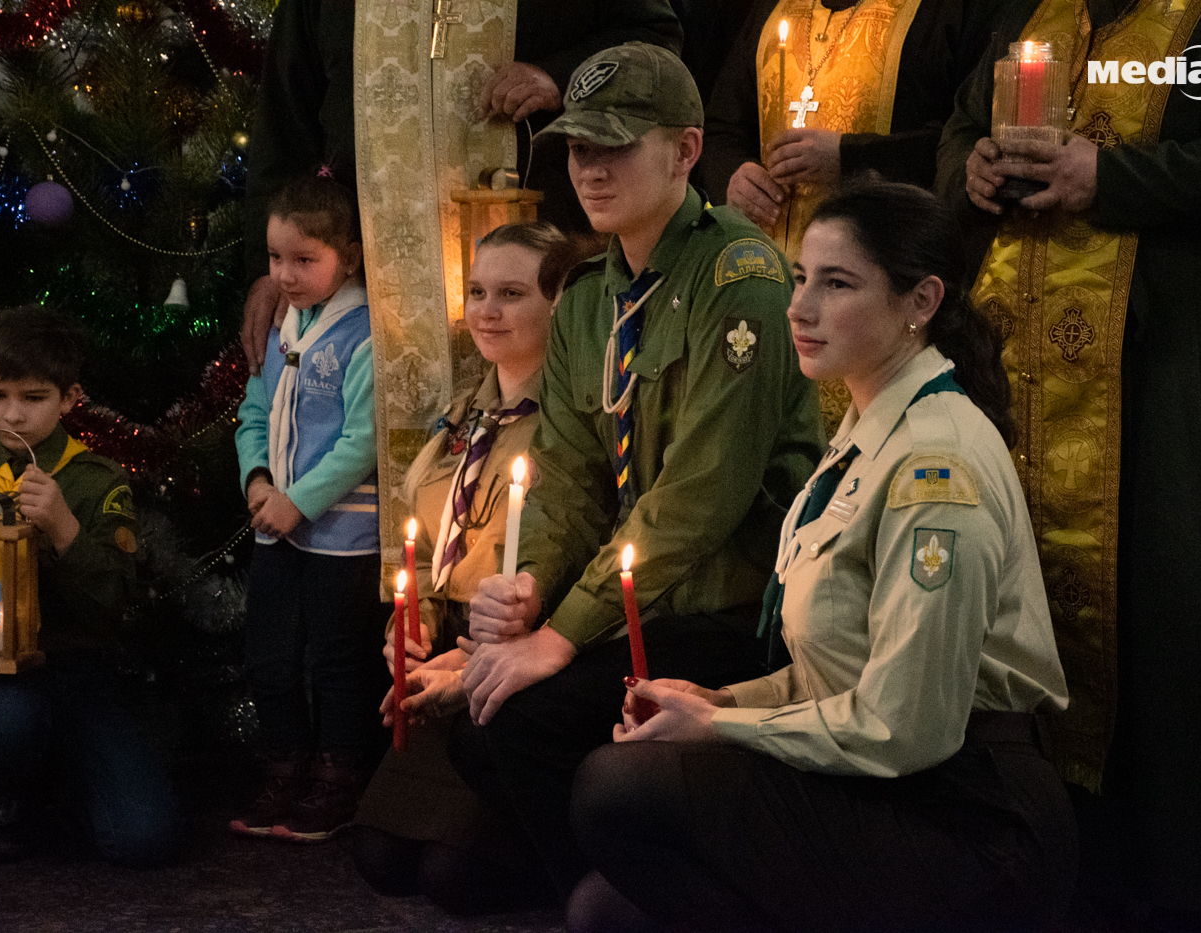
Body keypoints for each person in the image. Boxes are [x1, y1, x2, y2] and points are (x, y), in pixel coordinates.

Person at [567, 180, 1075, 933]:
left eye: (837, 284)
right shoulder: (871, 422)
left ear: (921, 301)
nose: (798, 307)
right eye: (800, 277)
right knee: (603, 909)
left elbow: (908, 726)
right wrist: (719, 701)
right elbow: (837, 668)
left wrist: (720, 730)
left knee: (615, 787)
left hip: (968, 814)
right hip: (889, 786)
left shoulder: (934, 467)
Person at [941, 0, 1201, 922]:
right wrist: (967, 167)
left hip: (1173, 389)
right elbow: (968, 122)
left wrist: (1115, 177)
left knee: (1174, 641)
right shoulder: (1037, 10)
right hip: (1019, 392)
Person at [452, 41, 824, 898]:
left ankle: (633, 900)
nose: (590, 169)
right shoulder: (587, 294)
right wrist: (531, 587)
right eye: (580, 148)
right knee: (480, 715)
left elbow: (704, 496)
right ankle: (599, 880)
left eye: (615, 146)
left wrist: (559, 635)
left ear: (687, 150)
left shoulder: (741, 275)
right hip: (633, 601)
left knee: (527, 717)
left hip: (728, 606)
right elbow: (571, 474)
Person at [238, 0, 684, 374]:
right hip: (362, 297)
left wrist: (562, 78)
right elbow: (286, 112)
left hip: (543, 277)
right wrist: (268, 265)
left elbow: (653, 38)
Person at [347, 221, 586, 913]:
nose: (486, 310)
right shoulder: (463, 419)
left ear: (560, 308)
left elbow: (567, 554)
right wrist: (409, 620)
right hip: (445, 643)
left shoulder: (571, 426)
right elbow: (424, 541)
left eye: (512, 293)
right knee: (380, 859)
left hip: (510, 652)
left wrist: (477, 654)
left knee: (454, 879)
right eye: (478, 291)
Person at [700, 0, 1025, 432]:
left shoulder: (946, 12)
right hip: (769, 289)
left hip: (881, 297)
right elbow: (722, 124)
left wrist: (848, 157)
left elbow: (955, 145)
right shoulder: (771, 9)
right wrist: (734, 176)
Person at [0, 306, 179, 867]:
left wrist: (63, 528)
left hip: (79, 671)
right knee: (6, 719)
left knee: (143, 839)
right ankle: (6, 789)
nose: (13, 415)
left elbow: (119, 606)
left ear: (69, 398)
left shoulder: (94, 480)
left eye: (33, 398)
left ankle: (67, 784)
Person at [232, 170, 387, 842]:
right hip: (277, 528)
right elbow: (253, 411)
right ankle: (284, 765)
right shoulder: (282, 323)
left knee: (336, 659)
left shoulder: (362, 333)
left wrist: (300, 500)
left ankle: (337, 775)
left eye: (304, 259)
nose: (285, 275)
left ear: (346, 257)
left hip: (341, 536)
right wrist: (258, 480)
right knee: (269, 657)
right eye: (275, 258)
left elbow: (364, 440)